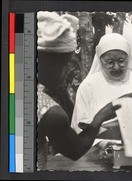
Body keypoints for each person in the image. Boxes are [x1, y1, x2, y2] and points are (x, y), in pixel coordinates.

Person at [37, 11, 119, 170]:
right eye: (65, 63)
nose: (69, 69)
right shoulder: (50, 112)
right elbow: (74, 149)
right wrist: (100, 117)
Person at [71, 33, 132, 133]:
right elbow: (80, 125)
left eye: (121, 61)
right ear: (101, 60)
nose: (116, 67)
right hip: (100, 144)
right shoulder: (88, 86)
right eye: (110, 62)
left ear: (128, 58)